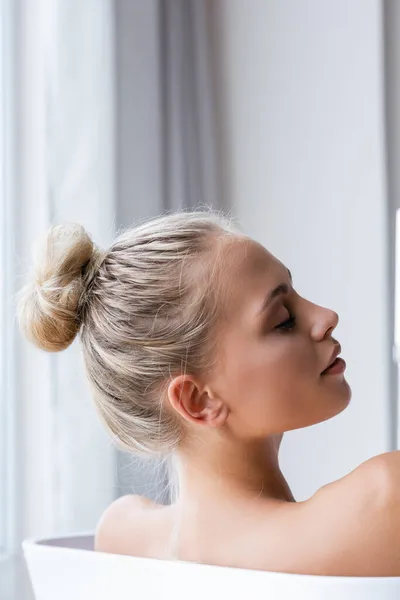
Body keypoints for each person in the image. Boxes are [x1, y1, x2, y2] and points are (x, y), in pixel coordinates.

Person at [17, 209, 400, 577]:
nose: (326, 315)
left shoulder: (121, 533)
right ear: (198, 401)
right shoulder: (385, 503)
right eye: (283, 320)